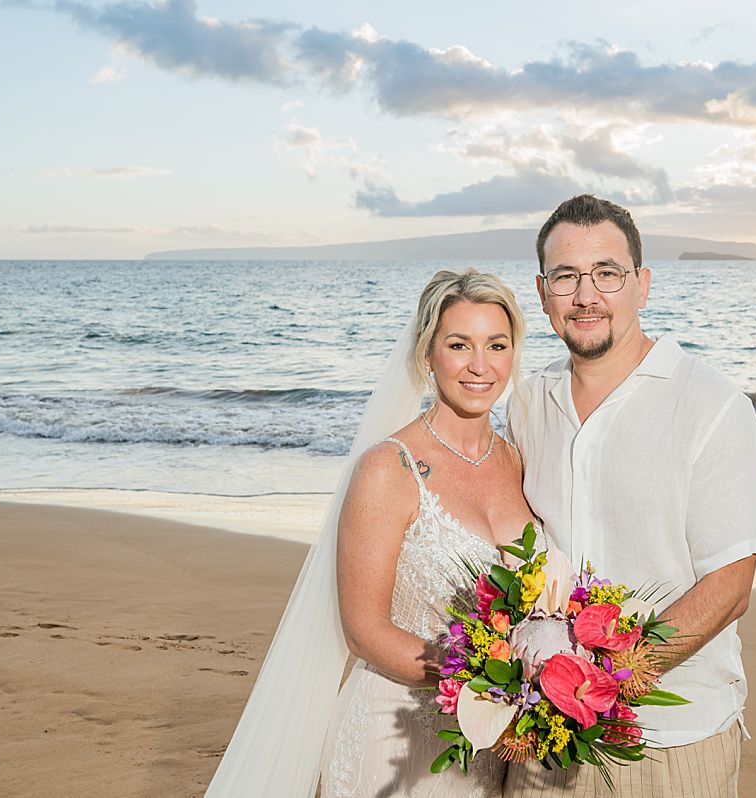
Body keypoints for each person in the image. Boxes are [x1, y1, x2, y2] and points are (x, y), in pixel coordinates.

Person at [205, 268, 539, 798]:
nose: (480, 366)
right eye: (459, 344)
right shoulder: (389, 468)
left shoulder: (520, 462)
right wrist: (494, 683)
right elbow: (364, 631)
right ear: (427, 355)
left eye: (496, 345)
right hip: (393, 740)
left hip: (493, 746)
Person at [505, 195, 756, 797]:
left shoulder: (712, 406)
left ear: (642, 285)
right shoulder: (526, 403)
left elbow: (729, 588)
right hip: (543, 738)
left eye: (607, 273)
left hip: (671, 737)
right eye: (567, 276)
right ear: (544, 292)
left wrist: (604, 684)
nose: (586, 295)